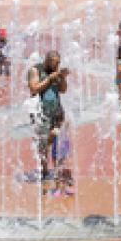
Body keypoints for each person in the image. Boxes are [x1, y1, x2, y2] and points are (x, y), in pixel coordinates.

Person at [29, 50, 73, 194]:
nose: (57, 65)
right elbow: (33, 89)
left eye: (58, 63)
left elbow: (63, 90)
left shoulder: (56, 72)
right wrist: (49, 79)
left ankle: (56, 172)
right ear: (48, 60)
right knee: (42, 146)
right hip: (41, 113)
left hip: (57, 112)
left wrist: (62, 77)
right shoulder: (36, 70)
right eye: (54, 62)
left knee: (56, 141)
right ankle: (44, 172)